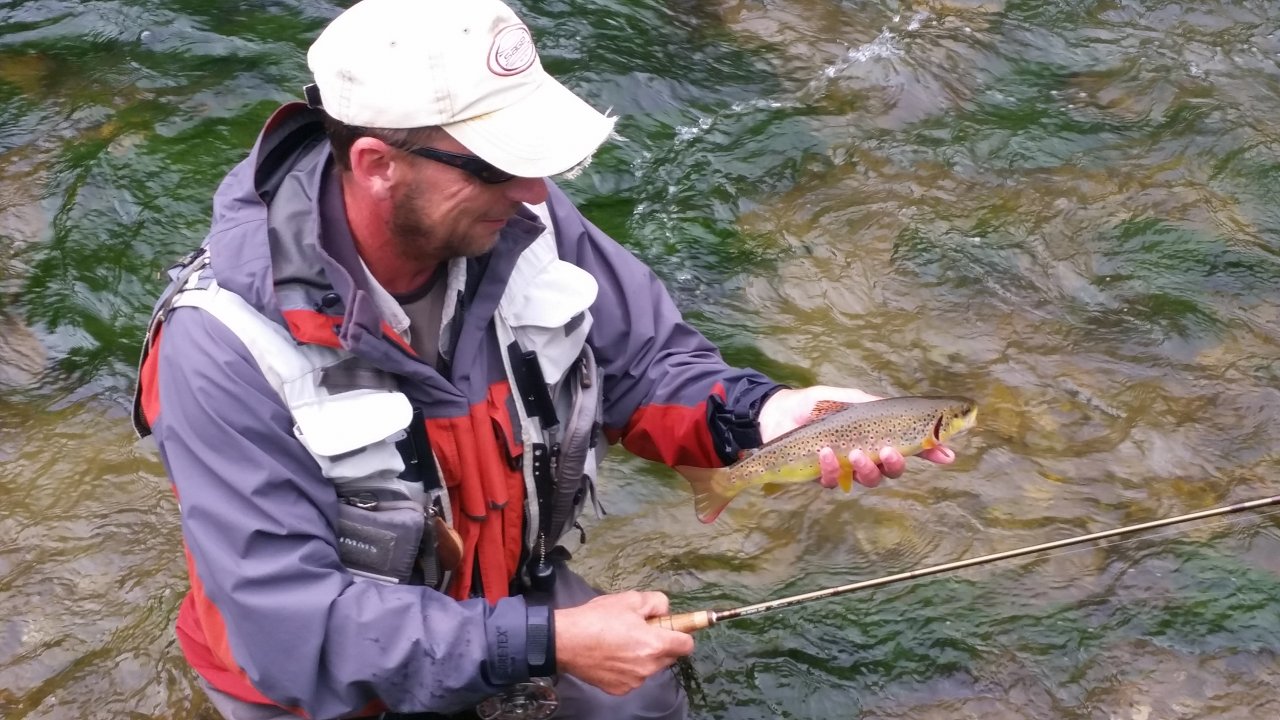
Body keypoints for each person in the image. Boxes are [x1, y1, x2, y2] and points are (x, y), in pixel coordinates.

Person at [131, 1, 955, 718]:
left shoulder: (519, 222)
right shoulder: (220, 349)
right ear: (378, 165)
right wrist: (549, 642)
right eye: (499, 163)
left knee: (644, 699)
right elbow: (292, 627)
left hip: (502, 600)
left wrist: (766, 418)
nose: (534, 190)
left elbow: (647, 367)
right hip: (325, 688)